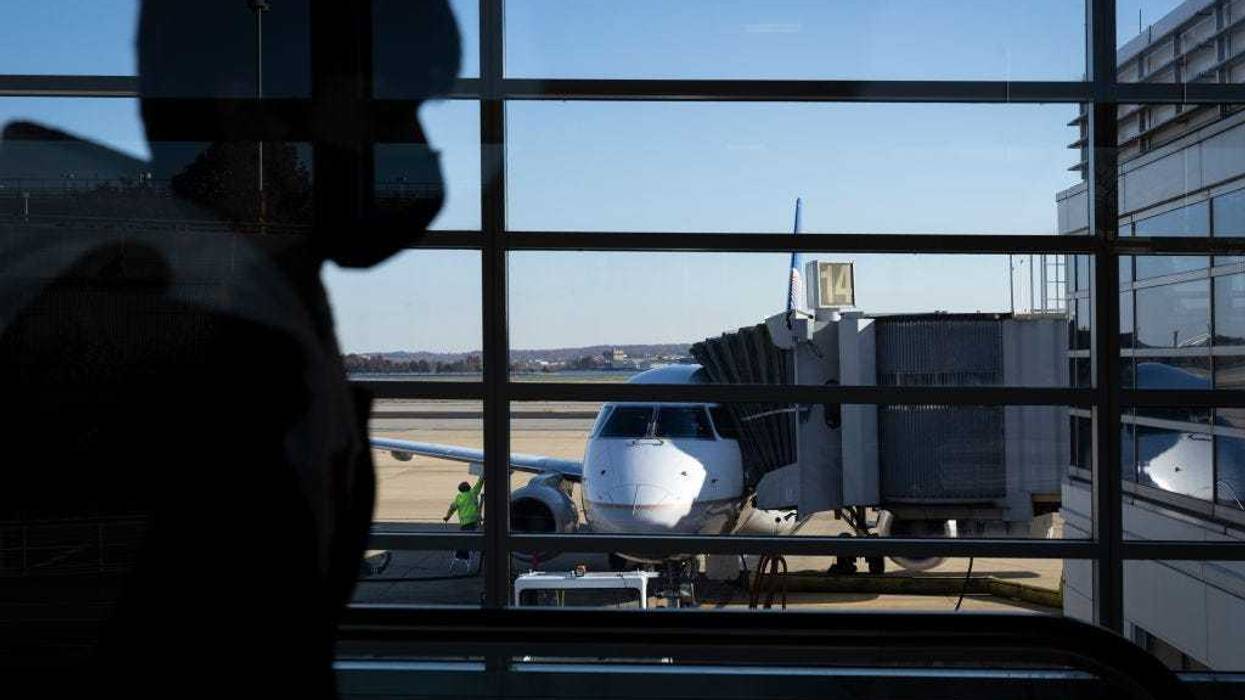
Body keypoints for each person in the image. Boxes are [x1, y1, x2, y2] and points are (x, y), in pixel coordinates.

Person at [0, 2, 460, 696]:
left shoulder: (238, 295)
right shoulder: (163, 334)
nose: (414, 147)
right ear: (255, 105)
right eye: (385, 111)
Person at [444, 477, 484, 571]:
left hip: (464, 524)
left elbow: (452, 508)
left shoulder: (459, 497)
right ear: (469, 488)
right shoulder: (473, 493)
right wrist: (483, 475)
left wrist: (447, 517)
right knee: (469, 540)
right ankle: (465, 554)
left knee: (464, 540)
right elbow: (479, 483)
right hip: (474, 522)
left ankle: (462, 555)